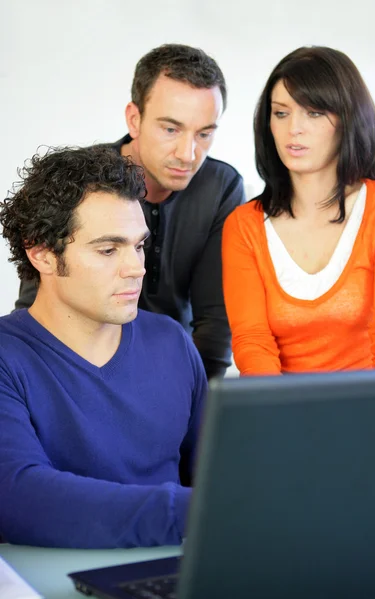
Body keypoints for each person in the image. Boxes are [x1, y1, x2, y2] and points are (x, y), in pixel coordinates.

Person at [0, 145, 207, 548]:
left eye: (139, 246)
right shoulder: (8, 358)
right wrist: (200, 513)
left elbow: (221, 476)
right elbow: (18, 497)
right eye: (109, 250)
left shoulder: (172, 342)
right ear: (42, 253)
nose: (136, 268)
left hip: (178, 575)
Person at [14, 43, 246, 380]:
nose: (188, 153)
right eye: (171, 129)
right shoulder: (76, 183)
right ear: (134, 119)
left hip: (173, 367)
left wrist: (202, 409)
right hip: (75, 365)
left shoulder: (220, 186)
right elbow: (38, 301)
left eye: (205, 133)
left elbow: (214, 320)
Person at [222, 46, 375, 376]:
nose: (294, 129)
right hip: (286, 415)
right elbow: (252, 343)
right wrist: (281, 422)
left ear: (348, 120)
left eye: (314, 113)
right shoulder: (243, 226)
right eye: (281, 113)